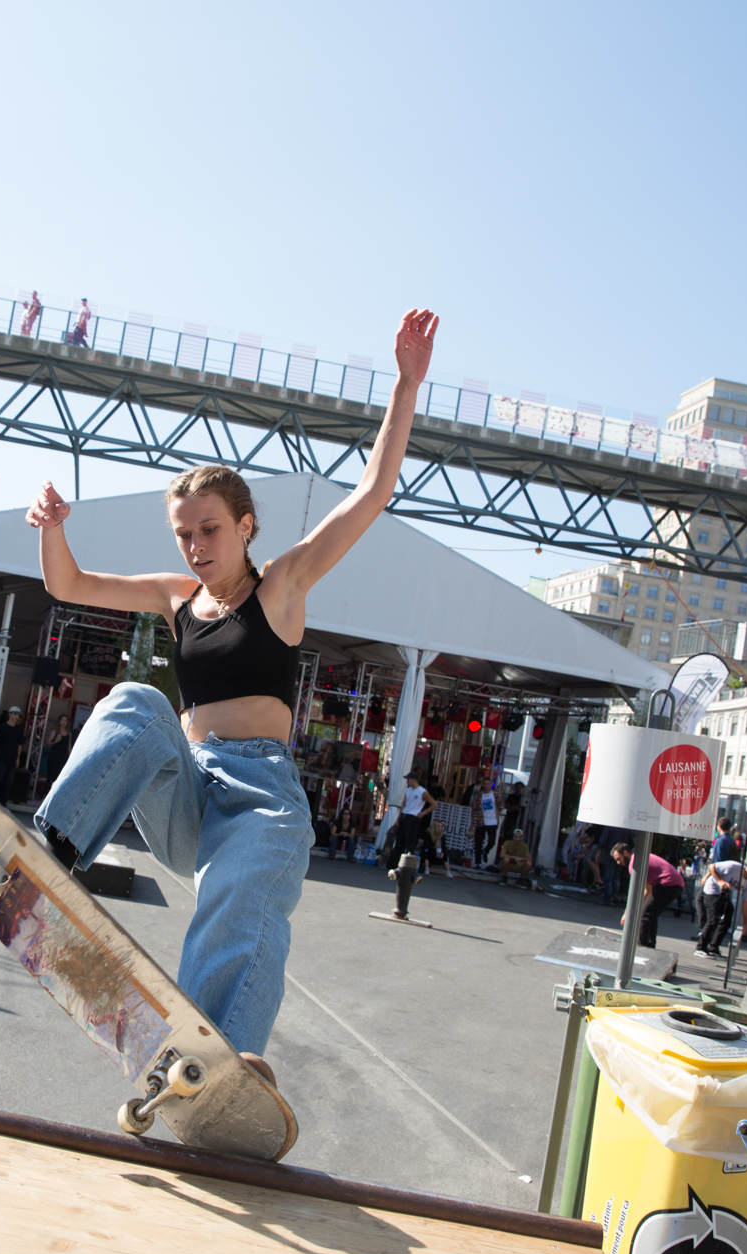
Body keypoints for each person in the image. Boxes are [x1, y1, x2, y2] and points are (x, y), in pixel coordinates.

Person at [24, 308, 438, 1067]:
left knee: (243, 900)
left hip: (258, 799)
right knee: (137, 702)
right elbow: (69, 583)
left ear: (245, 526)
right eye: (184, 534)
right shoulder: (176, 597)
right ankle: (55, 847)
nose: (195, 546)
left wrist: (406, 385)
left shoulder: (282, 584)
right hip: (188, 792)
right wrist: (51, 527)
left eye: (209, 529)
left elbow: (373, 491)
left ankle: (216, 1061)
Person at [613, 842, 684, 948]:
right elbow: (647, 890)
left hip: (668, 883)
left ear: (626, 853)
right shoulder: (640, 857)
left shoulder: (634, 865)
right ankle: (650, 945)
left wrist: (627, 913)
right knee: (650, 913)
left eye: (619, 859)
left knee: (644, 915)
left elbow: (636, 893)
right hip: (674, 883)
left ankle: (642, 946)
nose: (618, 862)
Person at [694, 858, 745, 958]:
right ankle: (700, 947)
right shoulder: (735, 866)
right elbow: (712, 867)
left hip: (724, 894)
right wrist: (719, 881)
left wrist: (746, 923)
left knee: (727, 917)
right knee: (713, 919)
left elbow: (746, 903)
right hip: (711, 890)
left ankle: (713, 947)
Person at [0, 705, 26, 803]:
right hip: (1, 759)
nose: (16, 717)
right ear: (9, 714)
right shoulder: (2, 727)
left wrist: (18, 758)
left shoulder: (19, 730)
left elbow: (19, 745)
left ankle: (3, 803)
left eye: (18, 715)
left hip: (12, 760)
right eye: (14, 714)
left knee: (7, 783)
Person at [394, 772, 434, 860]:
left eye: (408, 780)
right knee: (399, 840)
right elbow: (404, 805)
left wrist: (423, 813)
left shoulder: (423, 792)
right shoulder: (408, 790)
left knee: (410, 841)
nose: (407, 782)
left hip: (413, 817)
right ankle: (396, 860)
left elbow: (434, 804)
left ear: (414, 780)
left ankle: (408, 861)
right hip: (405, 815)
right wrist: (398, 819)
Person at [476, 782, 498, 863]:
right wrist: (472, 822)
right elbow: (474, 808)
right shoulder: (478, 795)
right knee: (478, 842)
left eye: (488, 784)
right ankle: (478, 863)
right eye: (484, 784)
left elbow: (501, 806)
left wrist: (496, 814)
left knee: (492, 842)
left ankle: (485, 851)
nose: (486, 785)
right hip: (481, 821)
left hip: (492, 821)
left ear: (490, 785)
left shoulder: (495, 795)